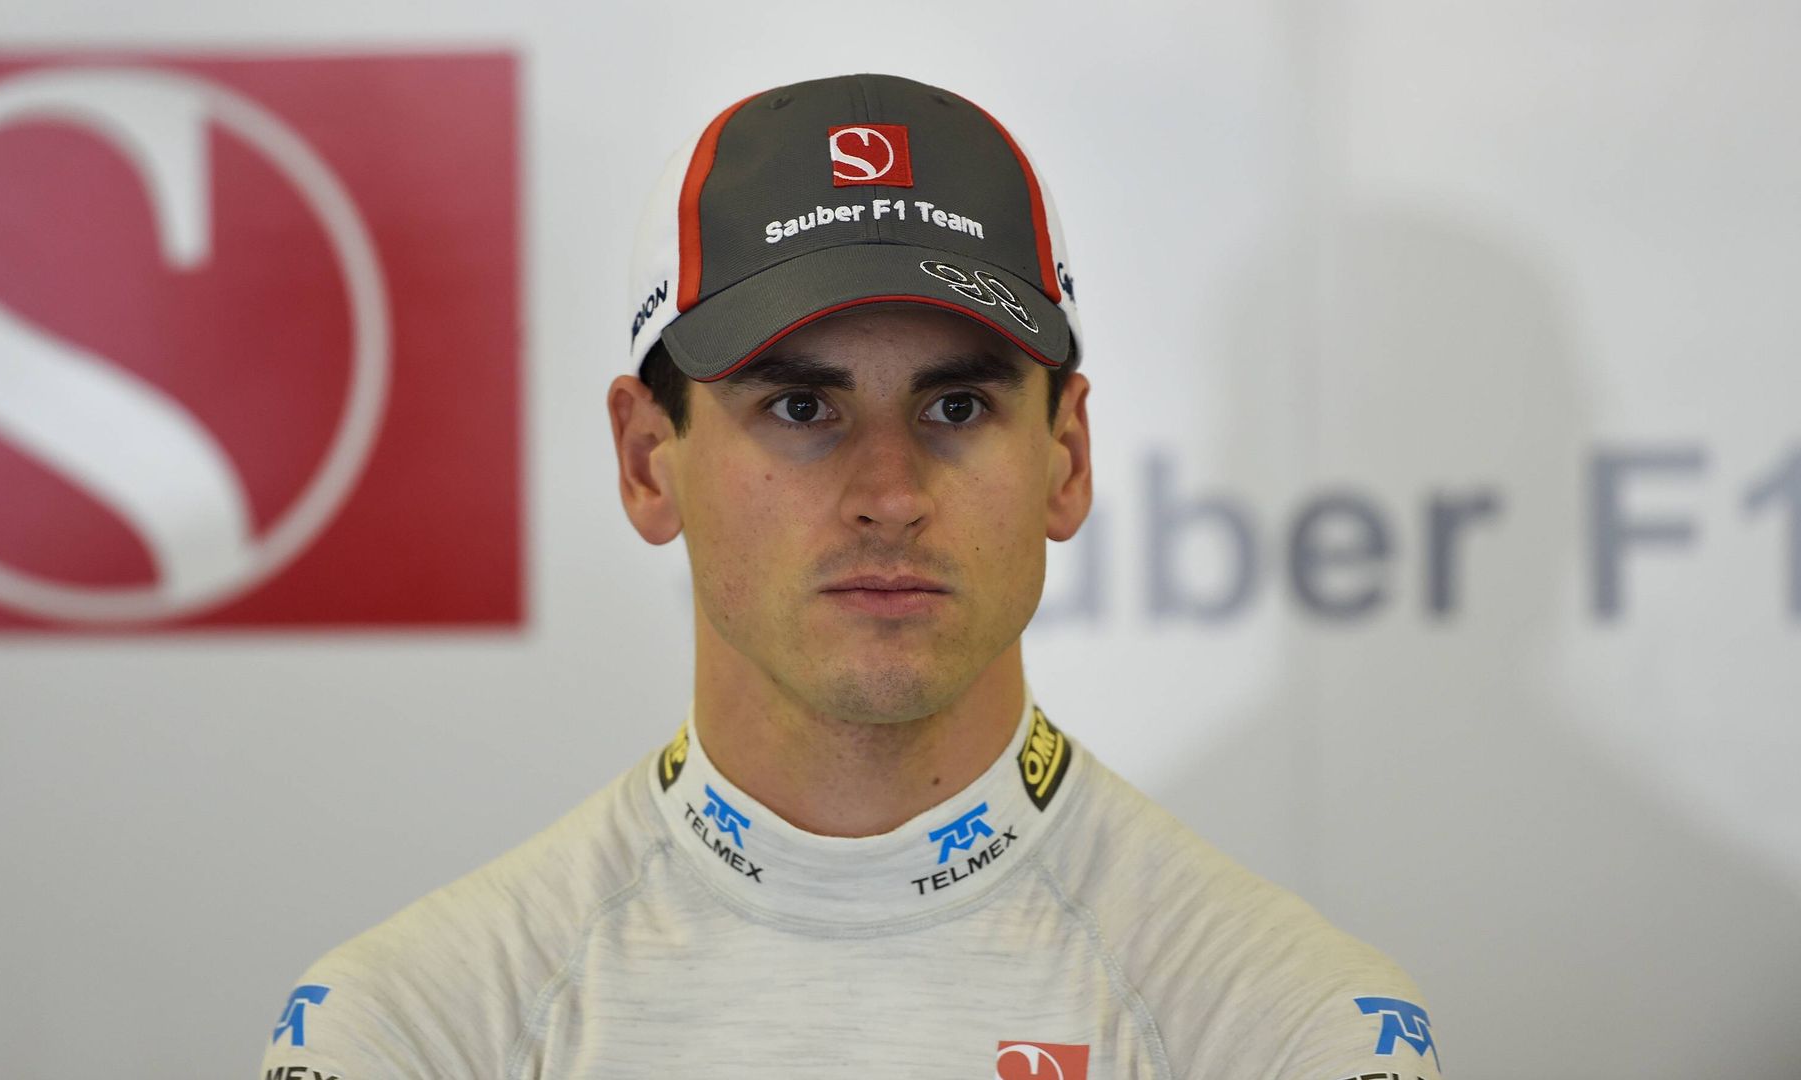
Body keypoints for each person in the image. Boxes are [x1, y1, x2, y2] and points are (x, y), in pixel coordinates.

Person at [257, 72, 1445, 1080]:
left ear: (1067, 459)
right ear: (647, 461)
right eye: (801, 407)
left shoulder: (1291, 1029)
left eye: (957, 405)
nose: (889, 491)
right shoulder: (417, 1030)